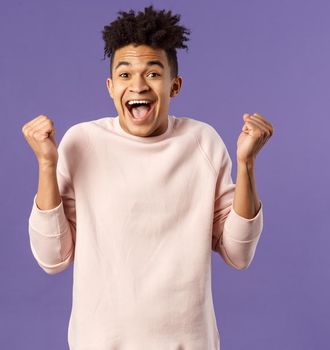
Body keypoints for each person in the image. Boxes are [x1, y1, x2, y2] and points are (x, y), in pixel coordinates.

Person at [21, 5, 273, 349]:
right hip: (100, 342)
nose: (137, 84)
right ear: (110, 86)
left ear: (175, 84)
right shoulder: (81, 142)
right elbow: (53, 258)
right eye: (125, 75)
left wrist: (246, 164)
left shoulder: (202, 141)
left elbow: (237, 254)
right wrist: (47, 166)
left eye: (153, 73)